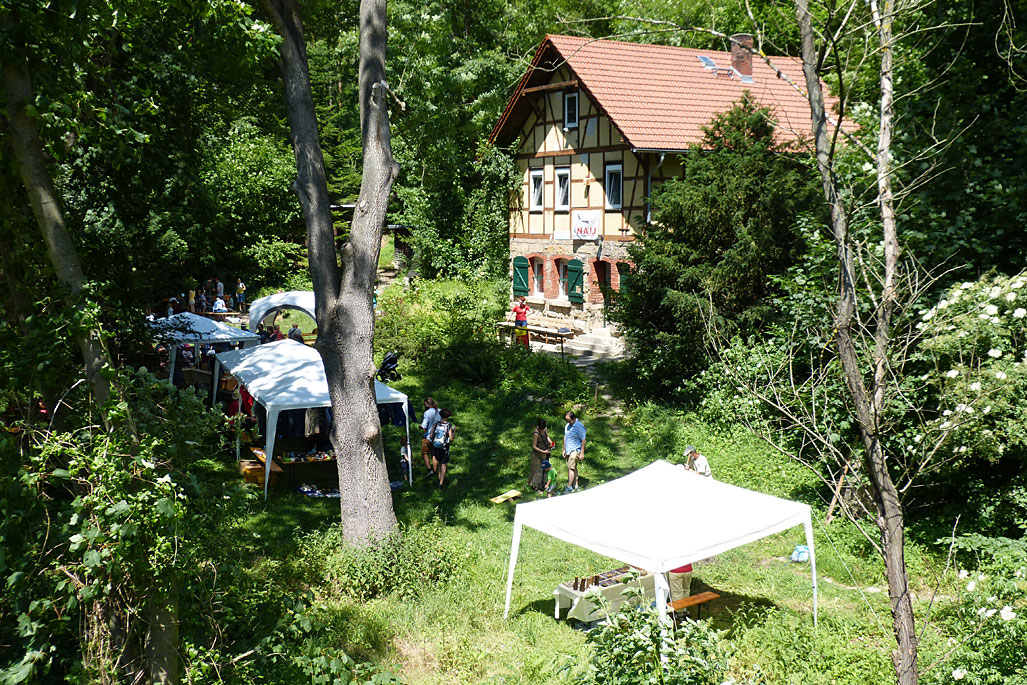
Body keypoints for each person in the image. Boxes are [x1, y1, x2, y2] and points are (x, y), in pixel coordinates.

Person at [563, 411, 586, 492]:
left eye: (569, 420)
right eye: (567, 421)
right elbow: (565, 437)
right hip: (568, 449)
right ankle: (576, 485)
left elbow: (583, 440)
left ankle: (569, 487)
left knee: (570, 468)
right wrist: (564, 449)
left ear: (574, 419)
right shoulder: (567, 426)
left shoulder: (579, 426)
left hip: (575, 450)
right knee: (574, 467)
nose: (568, 422)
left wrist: (582, 453)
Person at [431, 408, 454, 489]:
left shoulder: (436, 424)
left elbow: (431, 436)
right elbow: (451, 438)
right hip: (444, 448)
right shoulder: (448, 426)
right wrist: (454, 432)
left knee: (439, 464)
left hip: (436, 447)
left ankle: (439, 479)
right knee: (443, 465)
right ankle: (441, 483)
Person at [528, 418, 551, 492]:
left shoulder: (544, 430)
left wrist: (552, 443)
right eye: (541, 429)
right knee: (538, 471)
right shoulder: (536, 433)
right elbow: (534, 446)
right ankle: (537, 487)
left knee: (545, 469)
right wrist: (543, 452)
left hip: (545, 453)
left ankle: (543, 484)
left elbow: (547, 437)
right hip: (538, 455)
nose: (542, 430)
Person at [420, 397, 440, 477]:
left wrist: (420, 426)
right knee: (434, 454)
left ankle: (429, 469)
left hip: (428, 437)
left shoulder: (427, 413)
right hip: (438, 436)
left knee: (425, 453)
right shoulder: (439, 411)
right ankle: (435, 470)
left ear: (428, 404)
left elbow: (424, 425)